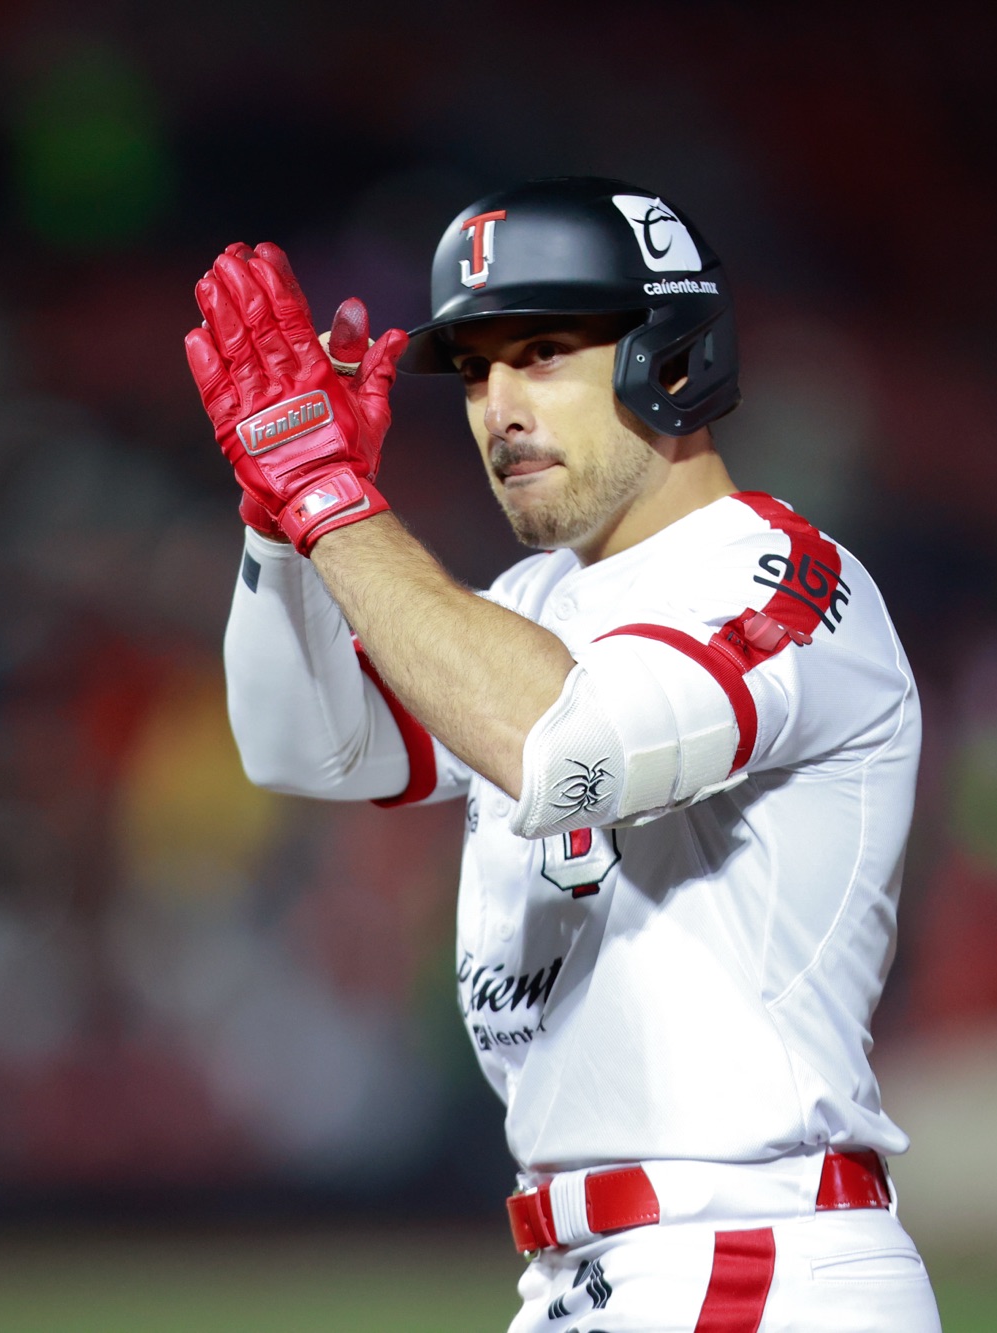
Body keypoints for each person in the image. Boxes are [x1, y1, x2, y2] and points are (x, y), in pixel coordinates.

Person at [189, 177, 941, 1331]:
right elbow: (309, 748)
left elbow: (560, 746)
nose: (496, 407)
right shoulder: (532, 600)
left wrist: (328, 497)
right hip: (593, 1272)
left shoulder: (787, 580)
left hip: (745, 1258)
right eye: (473, 370)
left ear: (669, 357)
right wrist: (280, 527)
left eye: (541, 353)